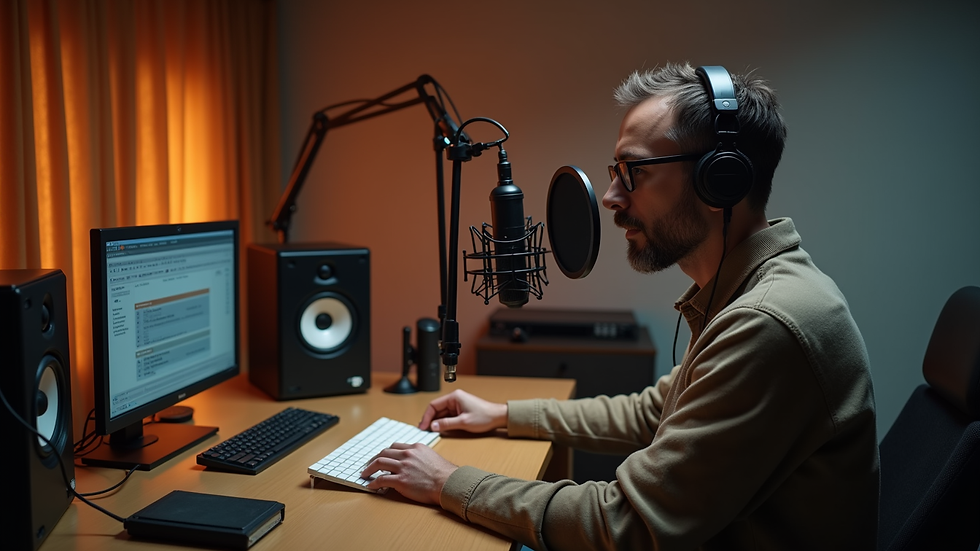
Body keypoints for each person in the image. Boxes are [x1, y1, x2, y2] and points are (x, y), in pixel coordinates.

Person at [360, 62, 879, 550]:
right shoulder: (749, 293)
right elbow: (655, 411)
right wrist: (501, 414)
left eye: (634, 171)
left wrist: (449, 481)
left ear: (720, 179)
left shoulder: (769, 322)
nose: (610, 196)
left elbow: (627, 525)